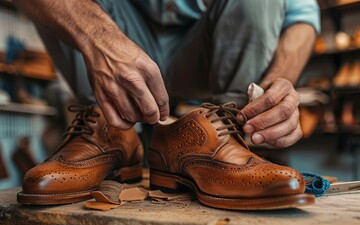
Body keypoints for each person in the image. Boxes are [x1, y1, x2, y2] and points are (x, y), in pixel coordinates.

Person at [12, 0, 319, 148]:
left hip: (205, 50)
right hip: (114, 32)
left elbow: (301, 14)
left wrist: (270, 90)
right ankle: (107, 128)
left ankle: (230, 134)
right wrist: (99, 39)